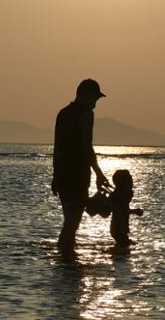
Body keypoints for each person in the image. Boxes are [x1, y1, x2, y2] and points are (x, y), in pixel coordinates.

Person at [51, 79, 112, 249]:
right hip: (77, 175)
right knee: (72, 222)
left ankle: (66, 261)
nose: (95, 103)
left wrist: (56, 176)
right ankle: (66, 259)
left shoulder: (62, 113)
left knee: (70, 221)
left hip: (63, 174)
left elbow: (58, 148)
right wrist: (99, 173)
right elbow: (87, 146)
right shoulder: (85, 114)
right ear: (85, 95)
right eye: (94, 98)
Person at [109, 169, 143, 246]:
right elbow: (121, 210)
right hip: (119, 227)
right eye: (130, 180)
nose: (132, 182)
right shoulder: (121, 195)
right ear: (123, 183)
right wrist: (135, 211)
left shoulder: (118, 193)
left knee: (123, 246)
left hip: (118, 227)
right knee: (124, 247)